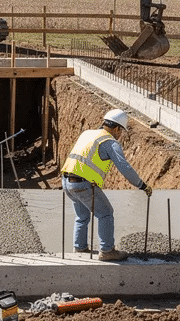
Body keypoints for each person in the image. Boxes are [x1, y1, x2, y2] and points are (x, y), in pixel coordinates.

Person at [60, 108, 151, 262]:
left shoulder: (87, 133)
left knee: (82, 216)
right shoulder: (109, 142)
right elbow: (125, 167)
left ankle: (79, 247)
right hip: (83, 184)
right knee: (106, 213)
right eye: (121, 131)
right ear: (116, 128)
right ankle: (107, 251)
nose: (120, 135)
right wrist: (142, 185)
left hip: (67, 182)